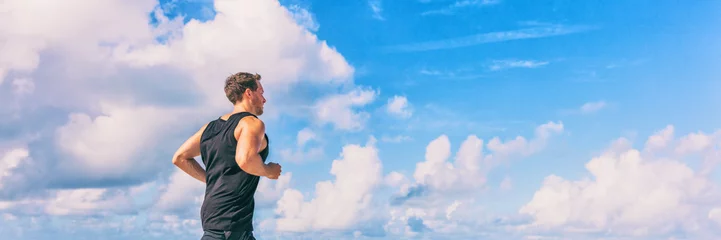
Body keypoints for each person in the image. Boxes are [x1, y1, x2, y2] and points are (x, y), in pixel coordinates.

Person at [171, 72, 282, 240]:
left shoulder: (210, 128)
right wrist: (269, 171)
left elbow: (180, 158)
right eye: (261, 92)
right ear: (249, 93)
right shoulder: (251, 123)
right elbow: (245, 160)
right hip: (232, 225)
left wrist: (212, 180)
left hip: (215, 220)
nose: (264, 99)